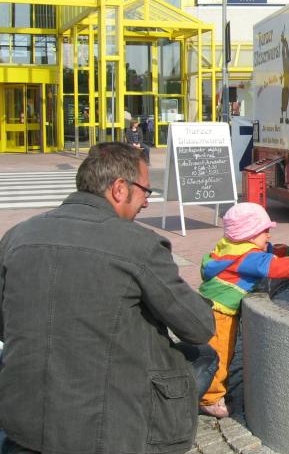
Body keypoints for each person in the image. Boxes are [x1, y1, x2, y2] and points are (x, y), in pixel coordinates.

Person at [0, 142, 216, 453]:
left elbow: (4, 327)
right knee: (204, 355)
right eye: (145, 191)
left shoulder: (17, 236)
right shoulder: (138, 244)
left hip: (23, 422)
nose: (146, 202)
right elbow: (199, 327)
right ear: (119, 189)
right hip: (106, 430)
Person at [198, 202, 289, 418]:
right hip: (220, 314)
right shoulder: (247, 257)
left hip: (211, 306)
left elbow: (274, 250)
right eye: (264, 231)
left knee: (219, 351)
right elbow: (273, 266)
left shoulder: (233, 247)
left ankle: (215, 390)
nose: (268, 234)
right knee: (220, 353)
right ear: (248, 235)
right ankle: (210, 399)